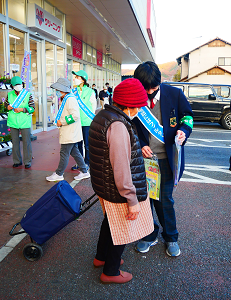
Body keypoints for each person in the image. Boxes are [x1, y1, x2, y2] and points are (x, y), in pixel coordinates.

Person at [89, 78, 154, 284]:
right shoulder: (118, 125)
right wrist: (132, 200)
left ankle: (101, 257)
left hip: (104, 184)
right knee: (122, 228)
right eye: (138, 106)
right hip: (117, 189)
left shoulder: (104, 115)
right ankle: (111, 271)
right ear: (129, 104)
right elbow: (121, 167)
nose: (139, 110)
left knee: (110, 222)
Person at [133, 61, 193, 257]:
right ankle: (149, 234)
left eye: (154, 87)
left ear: (160, 82)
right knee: (145, 199)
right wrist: (141, 144)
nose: (150, 92)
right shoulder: (135, 97)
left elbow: (187, 117)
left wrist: (184, 131)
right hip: (144, 160)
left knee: (165, 200)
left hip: (166, 159)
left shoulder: (174, 94)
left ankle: (171, 237)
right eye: (146, 88)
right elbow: (131, 125)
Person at [46, 78, 90, 182]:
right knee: (75, 152)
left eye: (57, 89)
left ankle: (59, 173)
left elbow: (75, 116)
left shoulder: (69, 99)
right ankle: (84, 171)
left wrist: (62, 121)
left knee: (64, 152)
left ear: (62, 89)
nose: (56, 91)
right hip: (70, 132)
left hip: (70, 132)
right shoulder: (66, 98)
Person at [4, 76, 35, 169]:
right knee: (15, 142)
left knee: (26, 142)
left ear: (22, 84)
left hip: (24, 121)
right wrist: (7, 107)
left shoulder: (27, 94)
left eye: (20, 84)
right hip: (13, 121)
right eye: (16, 85)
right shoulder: (9, 95)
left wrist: (22, 109)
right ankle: (17, 161)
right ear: (12, 86)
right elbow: (6, 104)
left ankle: (27, 161)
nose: (18, 86)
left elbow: (32, 108)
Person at [71, 70, 97, 171]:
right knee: (77, 144)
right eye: (76, 77)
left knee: (87, 144)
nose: (75, 79)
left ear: (83, 79)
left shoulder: (90, 91)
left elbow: (93, 106)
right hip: (76, 121)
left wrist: (90, 118)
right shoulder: (73, 91)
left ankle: (87, 162)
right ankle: (79, 162)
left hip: (86, 122)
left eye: (77, 77)